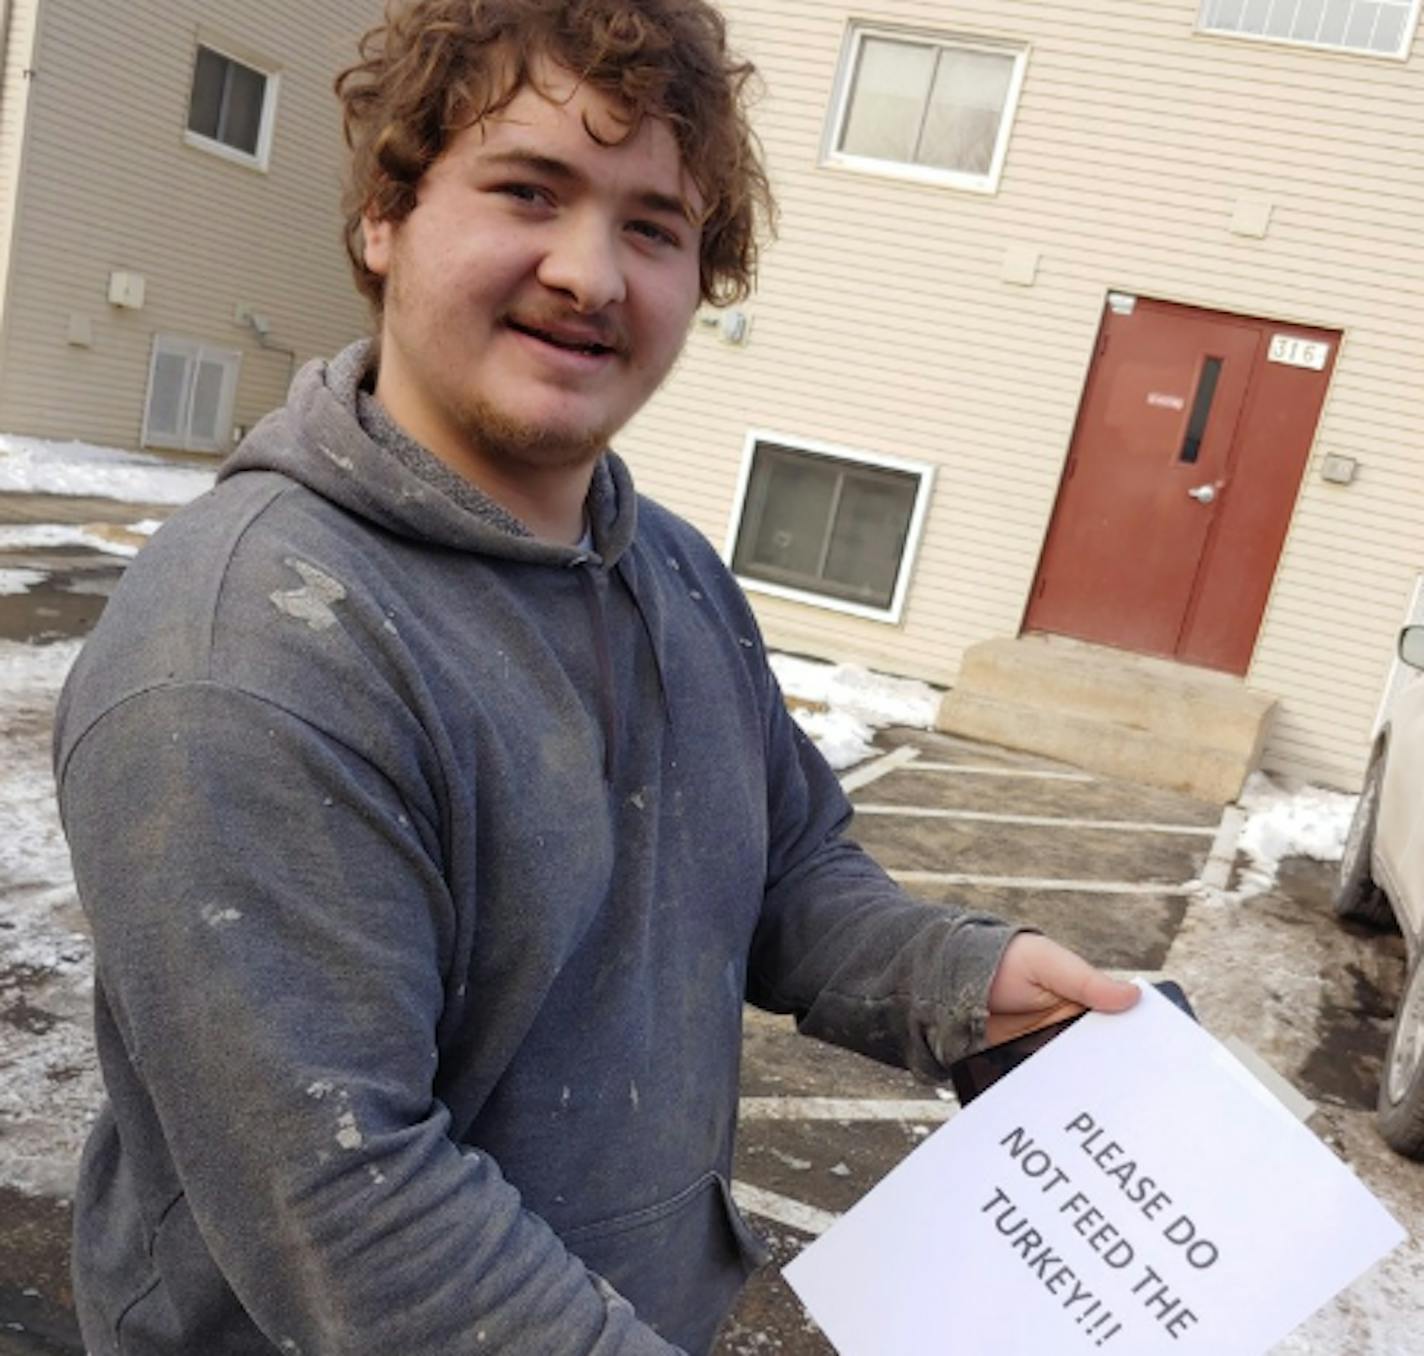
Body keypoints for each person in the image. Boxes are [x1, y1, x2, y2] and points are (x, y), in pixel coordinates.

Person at [55, 2, 1138, 1352]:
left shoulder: (669, 573)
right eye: (528, 190)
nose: (590, 272)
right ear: (387, 214)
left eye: (653, 226)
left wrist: (968, 980)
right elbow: (349, 1202)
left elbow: (785, 872)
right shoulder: (248, 651)